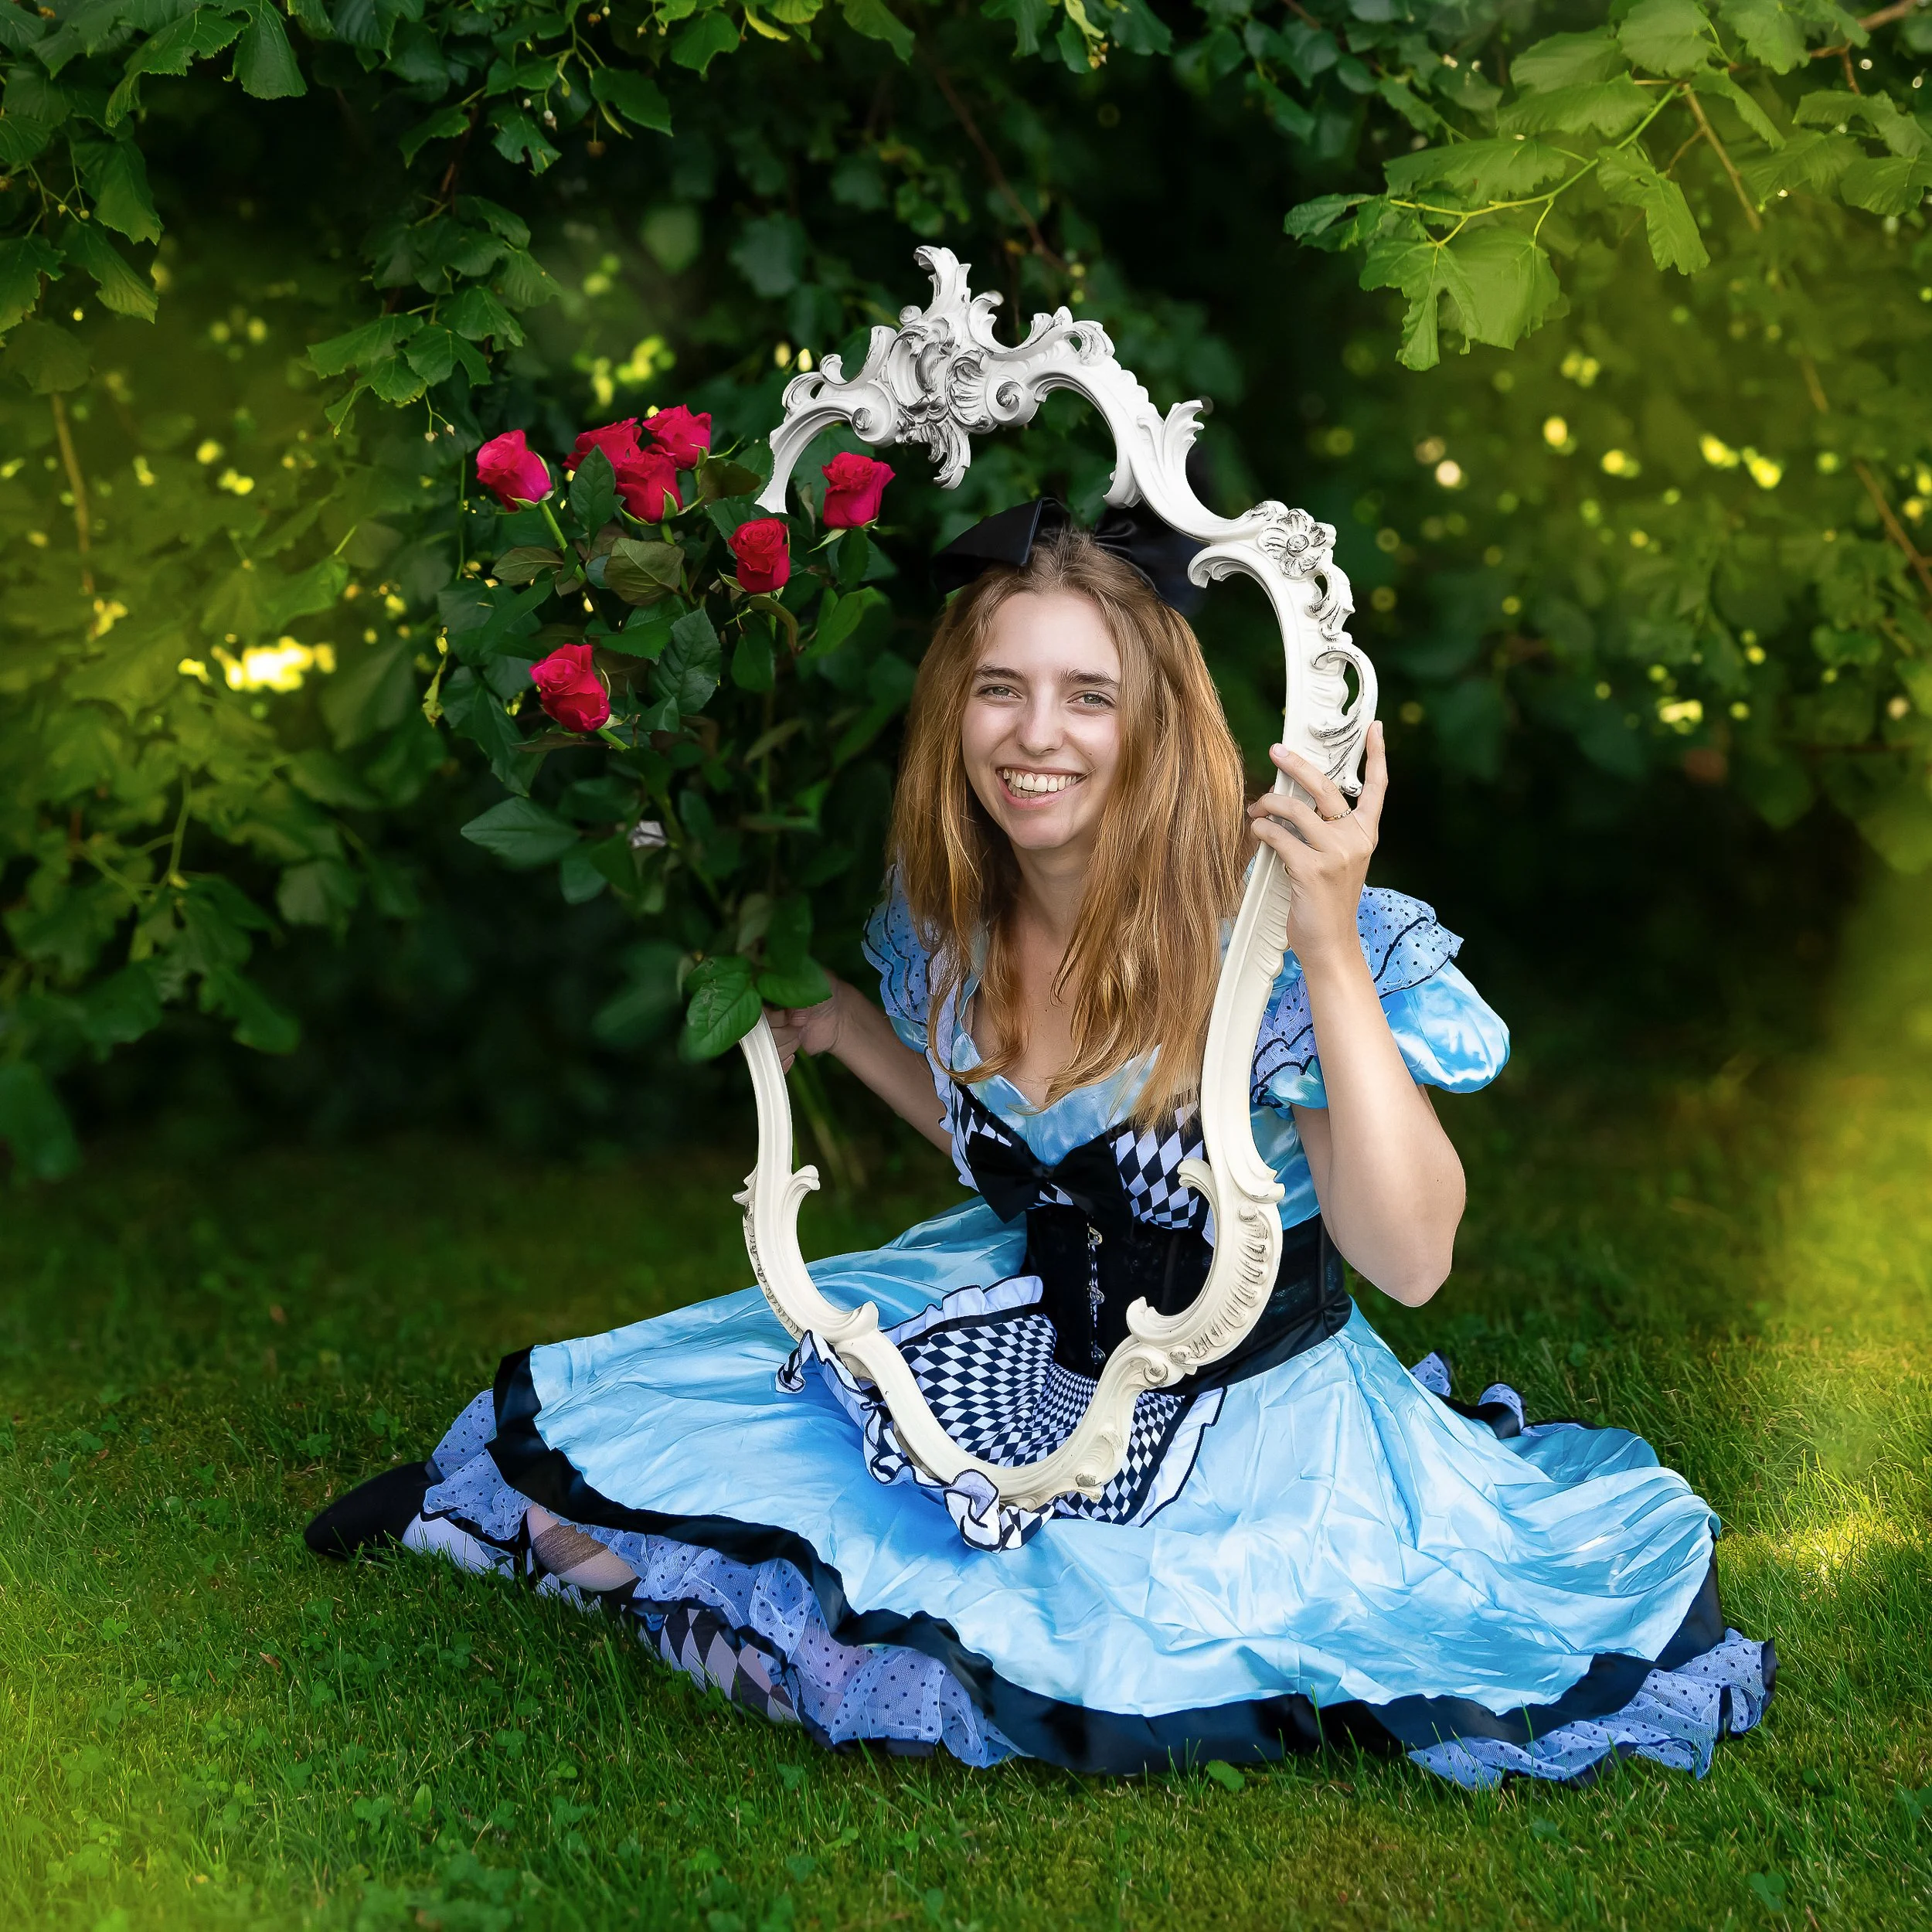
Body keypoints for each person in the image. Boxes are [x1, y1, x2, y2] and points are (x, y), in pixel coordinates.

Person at [308, 510, 1771, 1788]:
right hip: (1031, 1327)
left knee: (1014, 1617)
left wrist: (1328, 944)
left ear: (1157, 723)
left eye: (1089, 696)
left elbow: (1416, 1258)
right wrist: (850, 1028)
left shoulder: (1264, 940)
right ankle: (626, 1567)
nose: (1036, 734)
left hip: (1240, 1418)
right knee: (685, 1405)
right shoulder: (952, 919)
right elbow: (1024, 1156)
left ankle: (687, 1602)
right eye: (1001, 688)